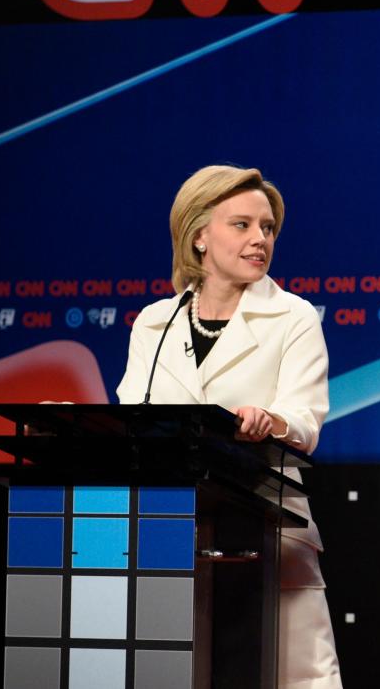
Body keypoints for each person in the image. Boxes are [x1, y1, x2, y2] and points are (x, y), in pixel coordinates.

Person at [117, 165, 343, 689]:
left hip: (263, 525)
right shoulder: (154, 322)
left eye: (267, 228)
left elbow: (306, 422)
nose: (260, 239)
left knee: (284, 673)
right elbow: (134, 418)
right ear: (199, 235)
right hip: (166, 528)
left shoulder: (294, 317)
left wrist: (271, 420)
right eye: (242, 225)